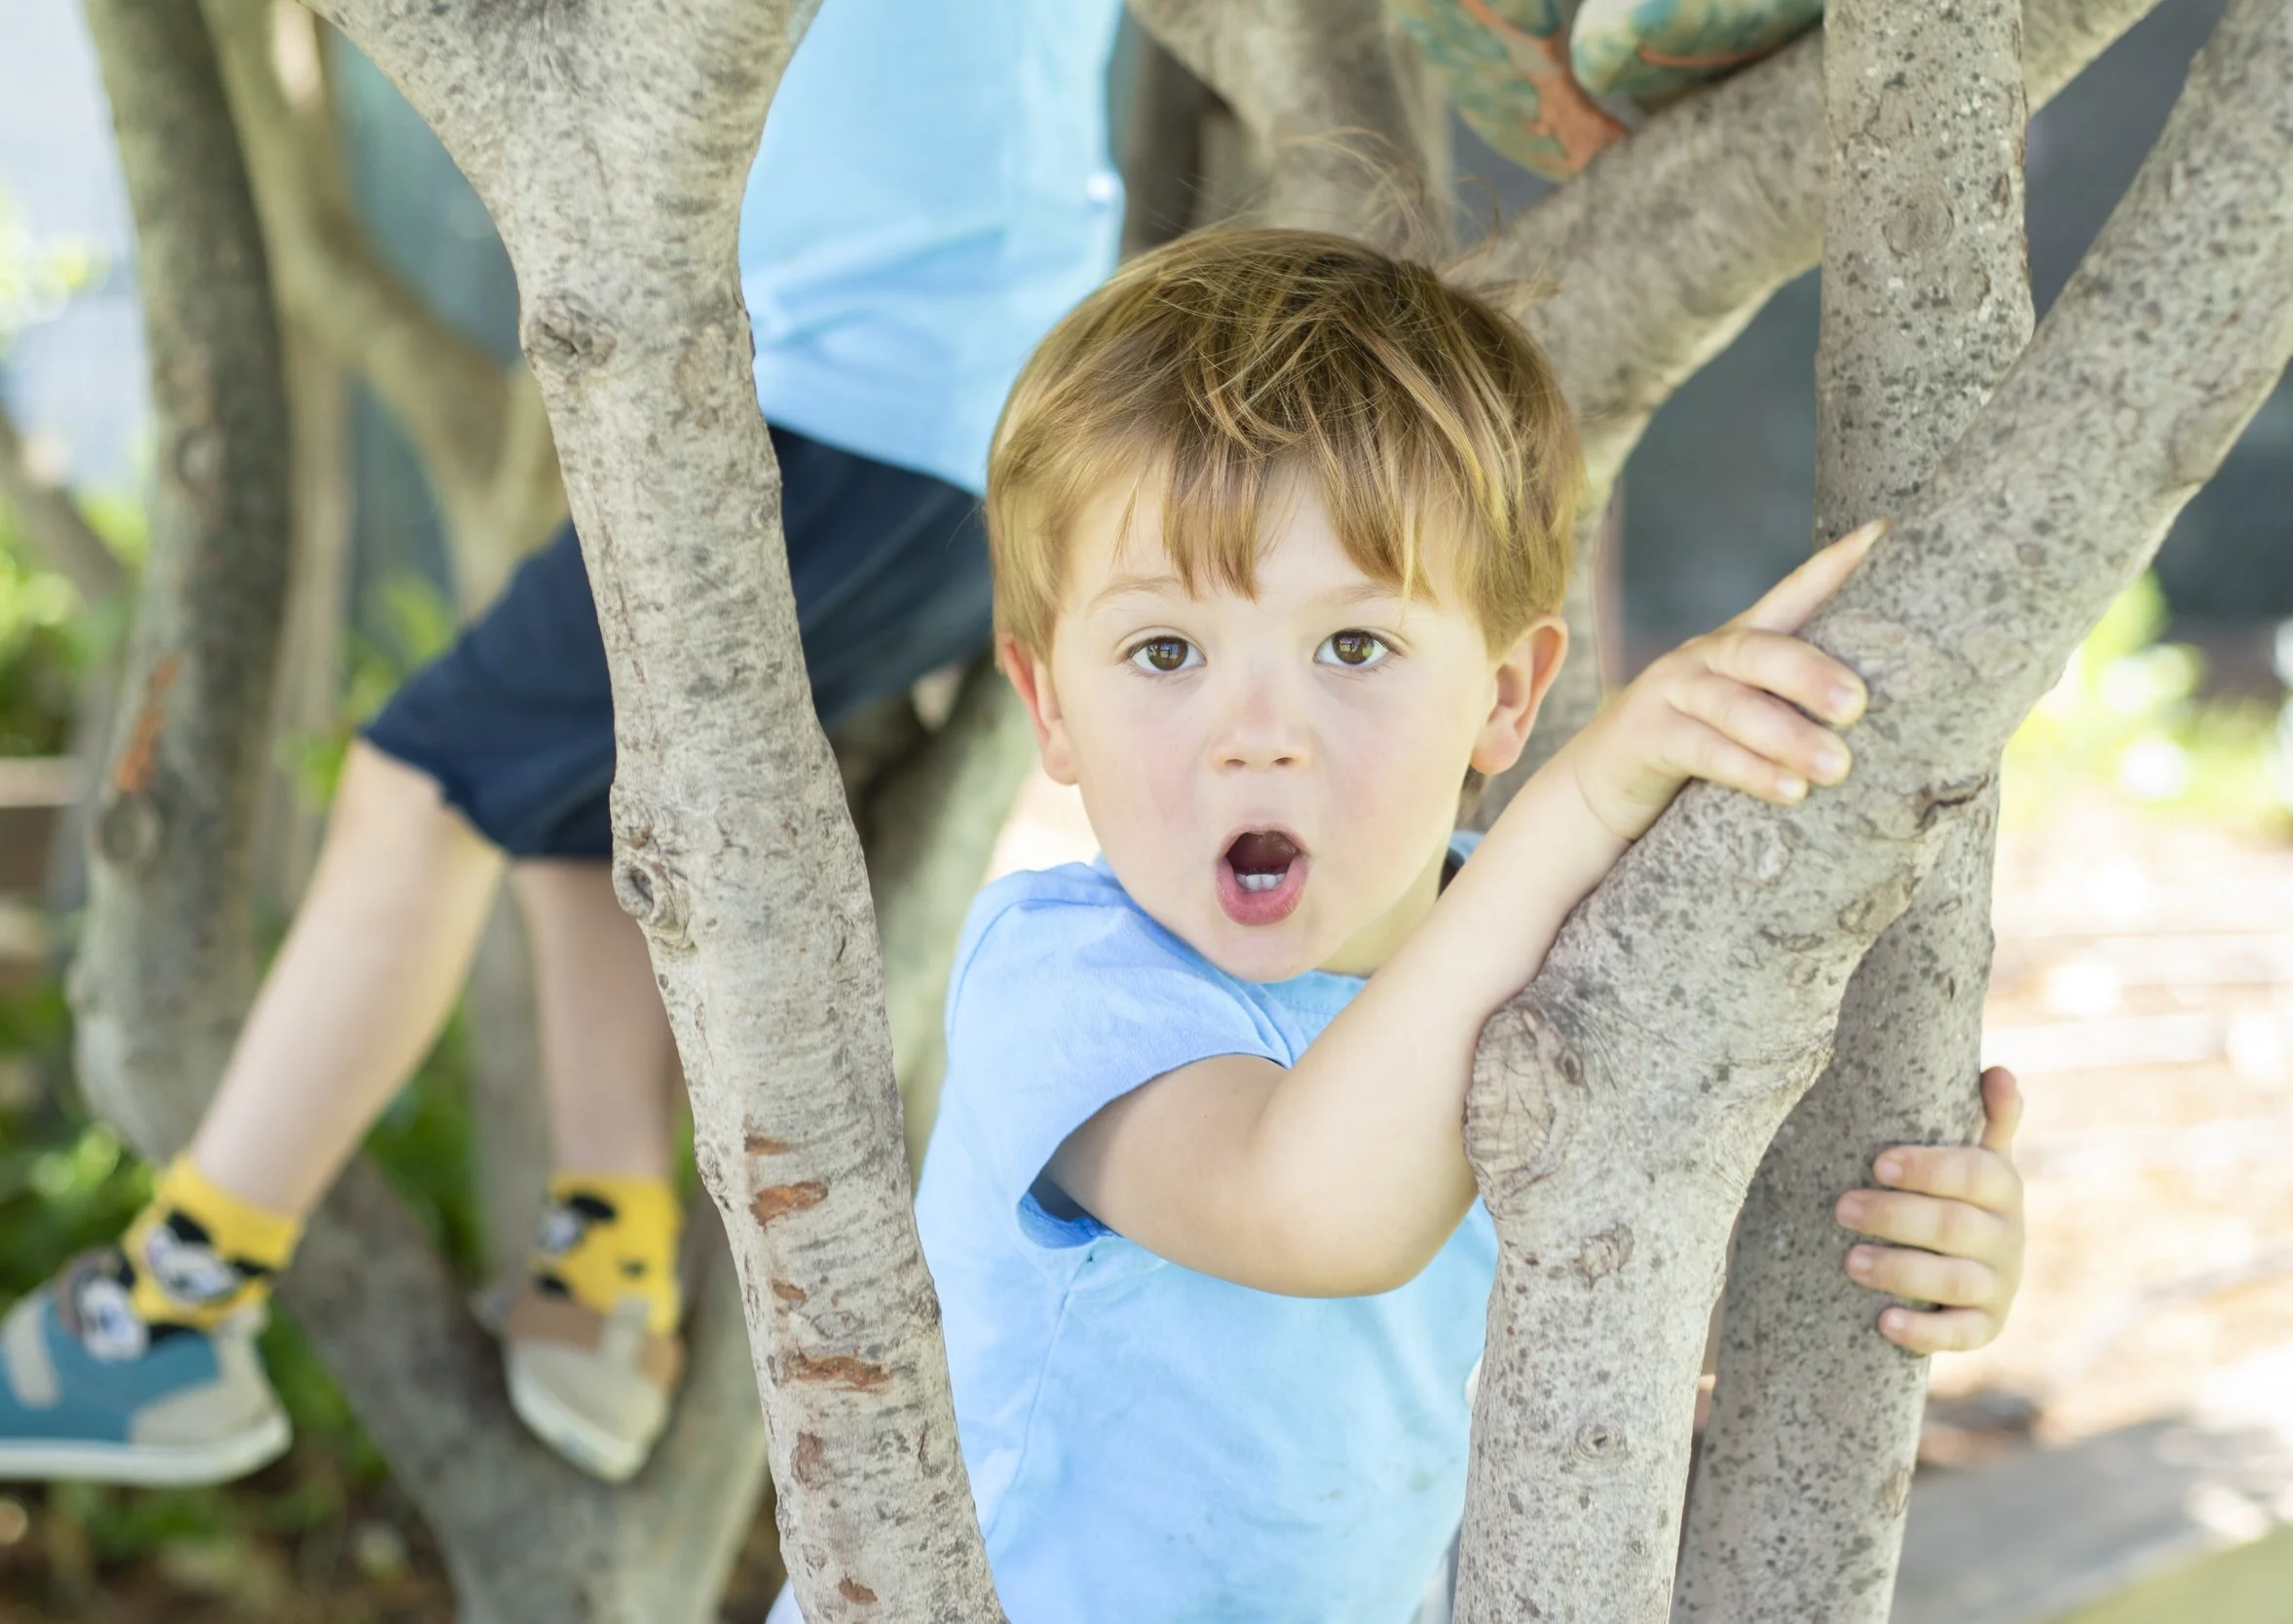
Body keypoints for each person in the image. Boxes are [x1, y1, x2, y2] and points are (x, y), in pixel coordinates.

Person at [770, 228, 2030, 1622]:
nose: (1258, 739)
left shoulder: (1552, 956)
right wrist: (1582, 799)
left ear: (1503, 692)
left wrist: (1915, 1240)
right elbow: (1312, 1205)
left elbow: (1669, 1255)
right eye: (1165, 651)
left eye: (1353, 647)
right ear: (1050, 703)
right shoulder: (1066, 982)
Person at [0, 0, 1127, 1488]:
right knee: (564, 795)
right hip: (939, 409)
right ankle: (609, 1284)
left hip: (866, 406)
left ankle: (171, 1309)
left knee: (427, 772)